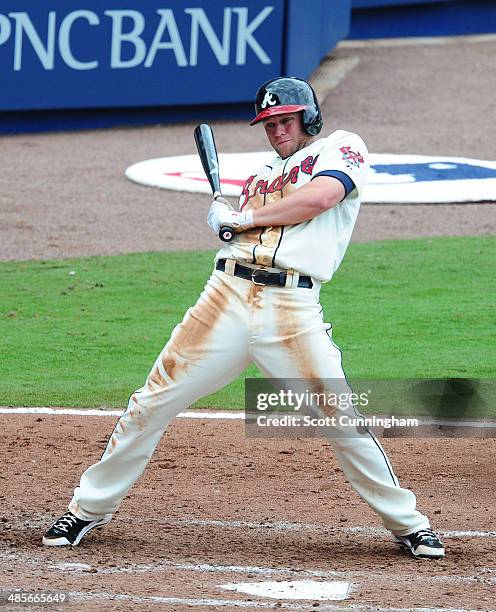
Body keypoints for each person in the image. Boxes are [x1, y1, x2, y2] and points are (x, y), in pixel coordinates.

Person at [43, 77, 445, 559]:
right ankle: (87, 510)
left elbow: (319, 198)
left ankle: (409, 524)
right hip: (225, 298)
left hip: (292, 309)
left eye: (286, 121)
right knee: (150, 402)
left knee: (341, 418)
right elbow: (243, 231)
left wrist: (244, 218)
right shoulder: (259, 177)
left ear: (310, 118)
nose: (277, 131)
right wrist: (225, 216)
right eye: (269, 124)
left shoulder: (343, 148)